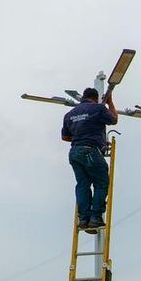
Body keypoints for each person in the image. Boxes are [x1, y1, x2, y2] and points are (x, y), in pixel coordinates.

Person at [61, 87, 118, 232]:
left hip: (74, 153)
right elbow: (114, 119)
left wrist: (82, 134)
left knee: (82, 184)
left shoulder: (69, 114)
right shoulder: (98, 108)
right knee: (101, 182)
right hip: (90, 151)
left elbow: (65, 137)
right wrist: (110, 103)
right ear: (95, 98)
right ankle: (95, 218)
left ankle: (84, 219)